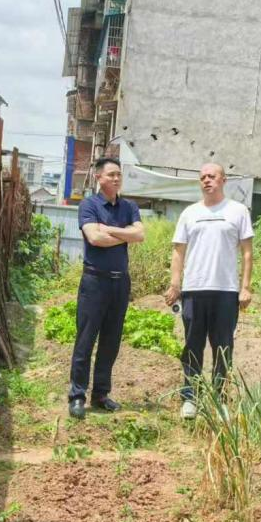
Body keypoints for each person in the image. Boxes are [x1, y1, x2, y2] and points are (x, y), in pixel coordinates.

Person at [164, 163, 254, 419]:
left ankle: (220, 399)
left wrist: (245, 287)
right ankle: (190, 398)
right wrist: (175, 284)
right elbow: (178, 251)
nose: (206, 180)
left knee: (223, 347)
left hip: (226, 291)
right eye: (202, 177)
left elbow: (247, 253)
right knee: (192, 346)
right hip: (194, 290)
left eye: (212, 176)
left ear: (223, 180)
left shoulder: (238, 211)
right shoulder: (190, 213)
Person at [68, 157, 144, 419]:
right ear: (98, 177)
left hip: (120, 282)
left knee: (111, 341)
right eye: (111, 174)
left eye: (119, 174)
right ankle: (77, 395)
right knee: (86, 339)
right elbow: (94, 238)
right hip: (95, 281)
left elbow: (140, 235)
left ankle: (100, 394)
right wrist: (124, 234)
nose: (116, 178)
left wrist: (110, 229)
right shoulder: (89, 205)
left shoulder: (129, 206)